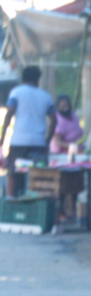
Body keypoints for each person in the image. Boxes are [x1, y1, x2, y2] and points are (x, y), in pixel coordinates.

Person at [1, 66, 55, 197]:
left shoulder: (16, 92)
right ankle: (36, 202)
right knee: (38, 174)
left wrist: (2, 139)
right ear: (38, 79)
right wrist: (47, 141)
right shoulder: (46, 96)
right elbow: (54, 121)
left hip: (19, 141)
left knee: (12, 173)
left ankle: (11, 200)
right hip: (38, 142)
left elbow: (9, 115)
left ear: (23, 78)